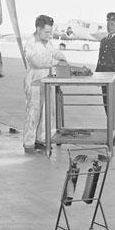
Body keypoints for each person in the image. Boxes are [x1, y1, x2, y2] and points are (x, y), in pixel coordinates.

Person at [23, 15, 68, 153]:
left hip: (48, 80)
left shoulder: (47, 42)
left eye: (50, 32)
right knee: (33, 112)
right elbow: (37, 61)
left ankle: (41, 139)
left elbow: (54, 51)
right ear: (38, 28)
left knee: (46, 112)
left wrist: (62, 57)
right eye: (46, 32)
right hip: (35, 80)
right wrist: (55, 62)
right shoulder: (30, 43)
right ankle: (28, 143)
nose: (49, 35)